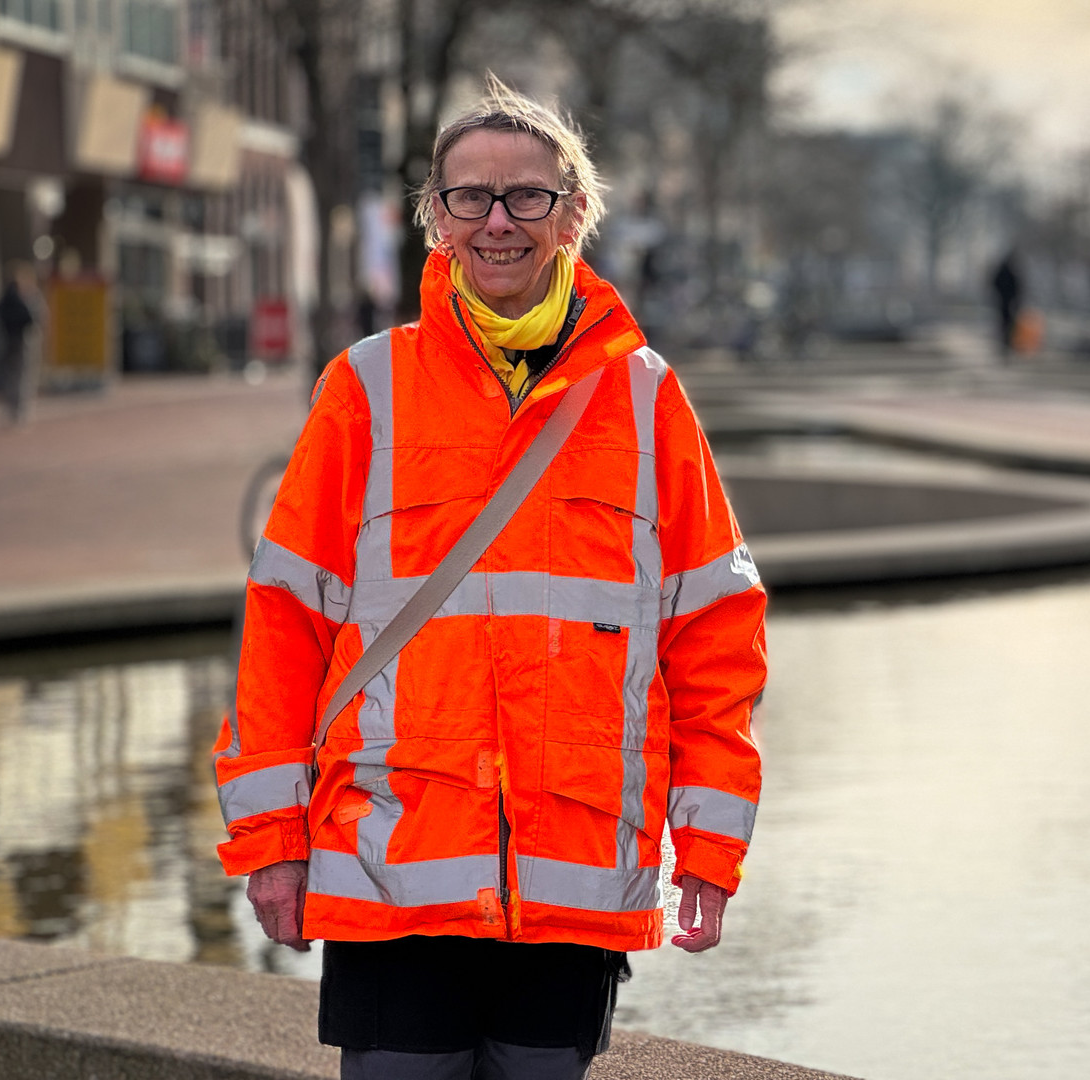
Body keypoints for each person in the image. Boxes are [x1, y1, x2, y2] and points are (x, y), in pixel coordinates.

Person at [212, 76, 766, 1080]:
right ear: (436, 217)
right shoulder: (366, 388)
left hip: (574, 878)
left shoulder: (647, 402)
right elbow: (284, 623)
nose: (499, 221)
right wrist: (270, 842)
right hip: (392, 873)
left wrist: (712, 846)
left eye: (529, 197)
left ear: (577, 213)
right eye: (471, 196)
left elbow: (716, 636)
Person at [0, 264, 40, 424]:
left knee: (10, 374)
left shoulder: (6, 296)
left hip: (6, 339)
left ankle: (10, 407)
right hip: (19, 340)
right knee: (21, 374)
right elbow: (30, 318)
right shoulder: (22, 297)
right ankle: (18, 409)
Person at [990, 249, 1023, 358]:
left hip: (1003, 301)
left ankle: (1005, 344)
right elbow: (1018, 288)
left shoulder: (1002, 271)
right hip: (1008, 302)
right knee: (1007, 323)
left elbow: (994, 283)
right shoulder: (1012, 272)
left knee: (1004, 323)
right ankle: (1006, 344)